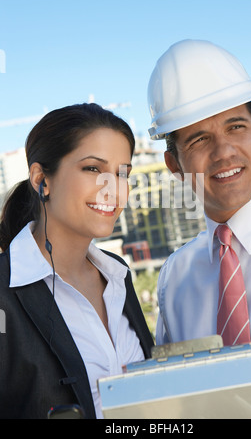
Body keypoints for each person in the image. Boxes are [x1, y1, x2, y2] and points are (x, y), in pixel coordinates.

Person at [147, 40, 251, 419]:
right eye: (199, 139)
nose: (224, 151)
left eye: (236, 127)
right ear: (174, 165)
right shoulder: (174, 279)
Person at [0, 103, 154, 419]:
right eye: (93, 169)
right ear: (42, 179)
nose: (112, 188)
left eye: (122, 173)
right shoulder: (5, 291)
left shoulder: (117, 274)